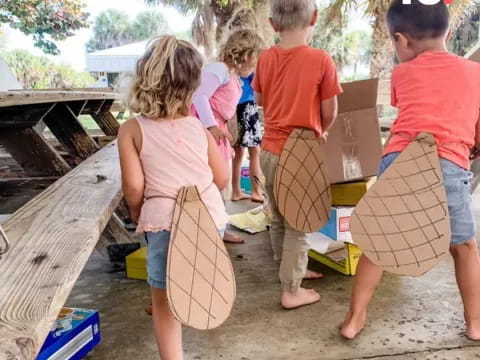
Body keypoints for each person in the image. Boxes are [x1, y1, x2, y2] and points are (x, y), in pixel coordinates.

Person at [341, 0, 480, 341]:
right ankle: (476, 324)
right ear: (448, 31)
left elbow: (412, 112)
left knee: (380, 244)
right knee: (463, 247)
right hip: (448, 163)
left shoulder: (402, 73)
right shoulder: (476, 73)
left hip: (399, 160)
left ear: (402, 40)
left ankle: (354, 319)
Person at [118, 35, 230, 359]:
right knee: (195, 273)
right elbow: (221, 177)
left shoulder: (132, 129)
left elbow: (134, 187)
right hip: (209, 218)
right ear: (193, 87)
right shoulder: (198, 127)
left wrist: (139, 212)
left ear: (144, 79)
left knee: (163, 301)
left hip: (165, 224)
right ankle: (200, 301)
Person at [252, 0, 342, 309]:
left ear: (272, 24)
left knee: (278, 215)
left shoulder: (265, 58)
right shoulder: (320, 59)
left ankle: (287, 270)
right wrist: (322, 128)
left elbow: (261, 100)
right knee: (299, 224)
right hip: (301, 151)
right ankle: (291, 289)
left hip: (269, 149)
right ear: (314, 18)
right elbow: (330, 110)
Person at [192, 29, 265, 244]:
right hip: (206, 133)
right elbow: (200, 96)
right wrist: (211, 126)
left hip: (218, 132)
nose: (255, 67)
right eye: (255, 61)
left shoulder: (232, 76)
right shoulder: (219, 69)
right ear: (246, 55)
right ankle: (209, 230)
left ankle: (219, 229)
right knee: (211, 182)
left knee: (219, 184)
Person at [232, 73, 264, 203]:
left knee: (238, 152)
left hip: (234, 105)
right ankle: (256, 191)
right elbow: (259, 84)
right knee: (255, 151)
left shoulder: (232, 66)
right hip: (247, 105)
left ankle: (236, 191)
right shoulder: (250, 66)